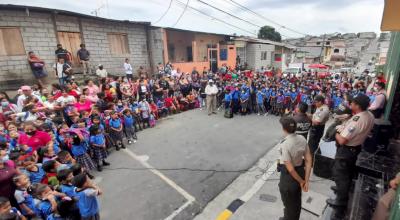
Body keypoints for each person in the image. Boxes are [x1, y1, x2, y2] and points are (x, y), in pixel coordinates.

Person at [326, 94, 375, 219]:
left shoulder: (357, 120)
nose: (350, 104)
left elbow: (342, 140)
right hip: (356, 148)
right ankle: (341, 190)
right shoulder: (370, 115)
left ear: (357, 105)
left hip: (346, 151)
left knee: (341, 175)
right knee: (347, 173)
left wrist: (337, 131)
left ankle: (340, 205)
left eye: (352, 103)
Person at [277, 116, 312, 220]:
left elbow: (290, 169)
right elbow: (309, 160)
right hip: (300, 171)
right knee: (296, 200)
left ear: (284, 129)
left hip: (289, 178)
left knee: (289, 202)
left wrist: (302, 181)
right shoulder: (302, 138)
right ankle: (288, 216)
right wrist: (306, 180)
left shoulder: (285, 144)